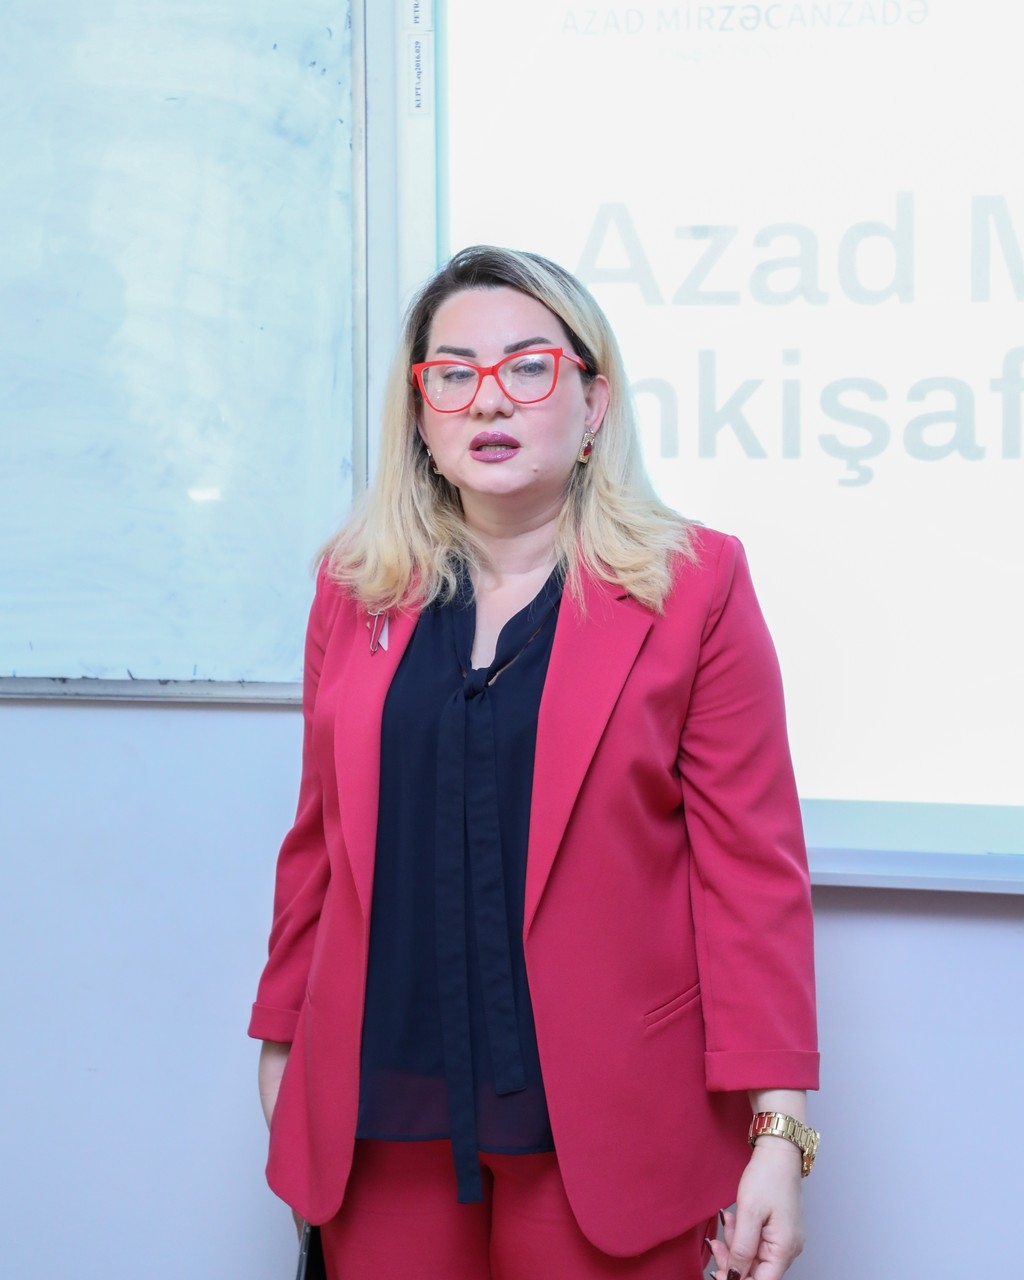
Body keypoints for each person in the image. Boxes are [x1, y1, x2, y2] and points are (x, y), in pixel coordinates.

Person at [249, 245, 819, 1280]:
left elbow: (749, 872)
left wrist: (779, 1129)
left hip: (605, 1115)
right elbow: (318, 845)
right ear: (421, 417)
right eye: (452, 374)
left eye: (527, 366)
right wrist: (281, 1041)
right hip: (381, 1103)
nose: (487, 398)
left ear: (593, 402)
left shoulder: (694, 585)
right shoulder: (354, 586)